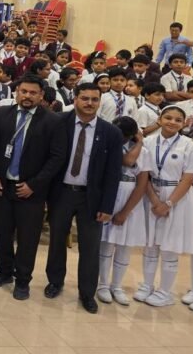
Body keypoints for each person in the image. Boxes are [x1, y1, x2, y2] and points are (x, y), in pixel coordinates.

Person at [43, 82, 124, 313]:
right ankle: (55, 282)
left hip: (92, 198)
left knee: (90, 247)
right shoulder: (58, 123)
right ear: (75, 99)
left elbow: (113, 173)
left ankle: (87, 293)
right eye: (85, 98)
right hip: (62, 193)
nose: (90, 103)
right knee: (57, 241)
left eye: (94, 99)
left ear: (100, 102)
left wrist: (108, 205)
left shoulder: (111, 132)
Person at [0, 75, 66, 300]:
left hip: (31, 190)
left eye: (32, 93)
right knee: (2, 232)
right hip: (3, 185)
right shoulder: (3, 115)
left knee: (28, 238)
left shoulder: (52, 121)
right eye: (23, 92)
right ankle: (3, 271)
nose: (27, 96)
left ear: (41, 96)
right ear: (16, 92)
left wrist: (34, 184)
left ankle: (22, 280)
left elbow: (56, 159)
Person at [136, 105, 193, 307]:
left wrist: (169, 203)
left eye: (178, 120)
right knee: (150, 245)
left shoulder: (190, 145)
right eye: (168, 118)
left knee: (169, 247)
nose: (172, 122)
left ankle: (165, 292)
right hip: (152, 194)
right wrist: (156, 201)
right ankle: (147, 285)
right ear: (160, 119)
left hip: (178, 198)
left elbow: (189, 178)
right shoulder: (147, 142)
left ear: (184, 123)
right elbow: (143, 174)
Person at [97, 117, 152, 307]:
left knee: (124, 246)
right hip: (109, 196)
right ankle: (102, 284)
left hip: (130, 200)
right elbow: (127, 161)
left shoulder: (143, 152)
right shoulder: (106, 145)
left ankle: (117, 286)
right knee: (106, 244)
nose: (120, 138)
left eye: (125, 136)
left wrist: (126, 212)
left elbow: (142, 183)